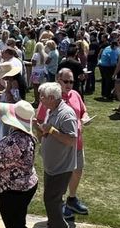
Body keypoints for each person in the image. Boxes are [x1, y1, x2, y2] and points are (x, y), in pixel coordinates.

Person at [0, 100, 51, 228]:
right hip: (26, 185)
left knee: (16, 226)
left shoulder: (10, 142)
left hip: (11, 190)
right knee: (16, 221)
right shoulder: (28, 137)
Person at [36, 68, 91, 217]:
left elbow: (83, 111)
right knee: (59, 179)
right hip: (60, 149)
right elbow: (39, 120)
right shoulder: (49, 98)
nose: (69, 85)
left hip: (77, 144)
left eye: (72, 81)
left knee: (77, 171)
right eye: (65, 81)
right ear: (57, 80)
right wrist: (43, 136)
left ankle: (71, 199)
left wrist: (85, 117)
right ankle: (59, 208)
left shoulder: (76, 95)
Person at [35, 82, 81, 228]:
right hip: (52, 166)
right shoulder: (51, 110)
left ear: (52, 98)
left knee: (51, 200)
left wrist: (52, 130)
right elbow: (47, 132)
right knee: (51, 200)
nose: (40, 99)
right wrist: (39, 127)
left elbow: (71, 140)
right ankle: (52, 227)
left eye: (43, 97)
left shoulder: (66, 114)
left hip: (61, 168)